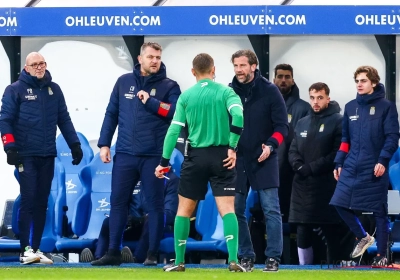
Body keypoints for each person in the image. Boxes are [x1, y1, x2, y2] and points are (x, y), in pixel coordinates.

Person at [92, 42, 181, 266]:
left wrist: (151, 102)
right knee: (118, 203)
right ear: (140, 58)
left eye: (158, 57)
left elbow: (174, 112)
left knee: (155, 205)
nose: (155, 61)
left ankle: (151, 254)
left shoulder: (170, 85)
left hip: (153, 155)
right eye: (150, 57)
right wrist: (104, 144)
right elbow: (111, 113)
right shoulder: (123, 82)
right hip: (125, 153)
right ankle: (112, 252)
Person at [155, 53, 245, 272]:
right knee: (228, 210)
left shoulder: (186, 96)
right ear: (214, 70)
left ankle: (178, 262)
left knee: (184, 212)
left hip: (195, 158)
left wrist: (163, 162)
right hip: (221, 156)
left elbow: (173, 130)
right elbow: (239, 117)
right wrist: (232, 147)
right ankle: (233, 260)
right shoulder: (226, 92)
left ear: (193, 72)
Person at [0, 52, 83, 265]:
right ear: (26, 68)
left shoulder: (53, 90)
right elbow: (5, 120)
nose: (39, 67)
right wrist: (9, 147)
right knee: (28, 199)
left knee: (42, 202)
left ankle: (36, 249)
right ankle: (24, 250)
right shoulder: (14, 90)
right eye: (35, 64)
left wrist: (75, 145)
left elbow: (64, 118)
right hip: (25, 155)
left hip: (47, 154)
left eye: (42, 63)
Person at [331, 66, 400, 267]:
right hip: (351, 164)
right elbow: (345, 139)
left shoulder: (386, 107)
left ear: (374, 83)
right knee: (338, 202)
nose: (359, 84)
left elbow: (392, 137)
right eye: (357, 81)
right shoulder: (350, 106)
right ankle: (363, 236)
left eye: (363, 80)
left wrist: (383, 160)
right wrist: (339, 161)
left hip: (375, 164)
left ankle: (381, 255)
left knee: (379, 210)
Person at [230, 50, 289, 272]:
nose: (238, 70)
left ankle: (273, 257)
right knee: (236, 208)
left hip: (265, 157)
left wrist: (271, 144)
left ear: (254, 66)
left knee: (271, 209)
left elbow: (282, 126)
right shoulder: (229, 91)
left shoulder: (270, 91)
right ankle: (246, 256)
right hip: (238, 158)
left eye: (243, 65)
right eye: (235, 65)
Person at [288, 82, 343, 265]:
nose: (316, 102)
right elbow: (292, 149)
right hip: (301, 186)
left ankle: (332, 269)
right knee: (302, 231)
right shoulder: (302, 122)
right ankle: (304, 270)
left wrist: (311, 168)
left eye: (320, 97)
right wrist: (298, 165)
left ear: (328, 98)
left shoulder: (338, 121)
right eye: (312, 97)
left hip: (326, 185)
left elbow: (336, 153)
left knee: (330, 231)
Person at [81, 170, 179, 263]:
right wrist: (127, 218)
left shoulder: (171, 179)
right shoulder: (134, 177)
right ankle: (99, 257)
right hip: (133, 226)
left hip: (157, 229)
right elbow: (122, 206)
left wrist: (142, 219)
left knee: (153, 220)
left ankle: (136, 259)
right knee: (109, 222)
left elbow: (170, 214)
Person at [273, 64, 309, 223]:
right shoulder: (266, 105)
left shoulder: (304, 108)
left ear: (293, 80)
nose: (283, 80)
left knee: (292, 217)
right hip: (269, 167)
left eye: (287, 77)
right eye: (280, 76)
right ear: (274, 80)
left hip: (293, 171)